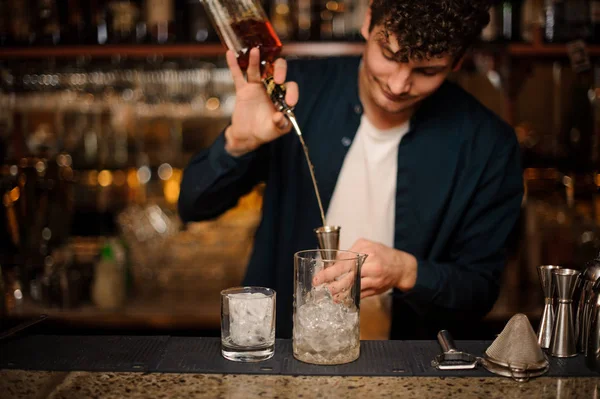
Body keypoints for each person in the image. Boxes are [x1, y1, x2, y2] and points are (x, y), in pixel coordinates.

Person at [178, 0, 524, 339]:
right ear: (368, 19)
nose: (399, 85)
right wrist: (237, 143)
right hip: (282, 358)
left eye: (427, 71)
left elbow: (479, 292)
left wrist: (408, 272)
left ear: (458, 61)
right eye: (390, 55)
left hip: (404, 373)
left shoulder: (488, 144)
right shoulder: (297, 91)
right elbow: (194, 205)